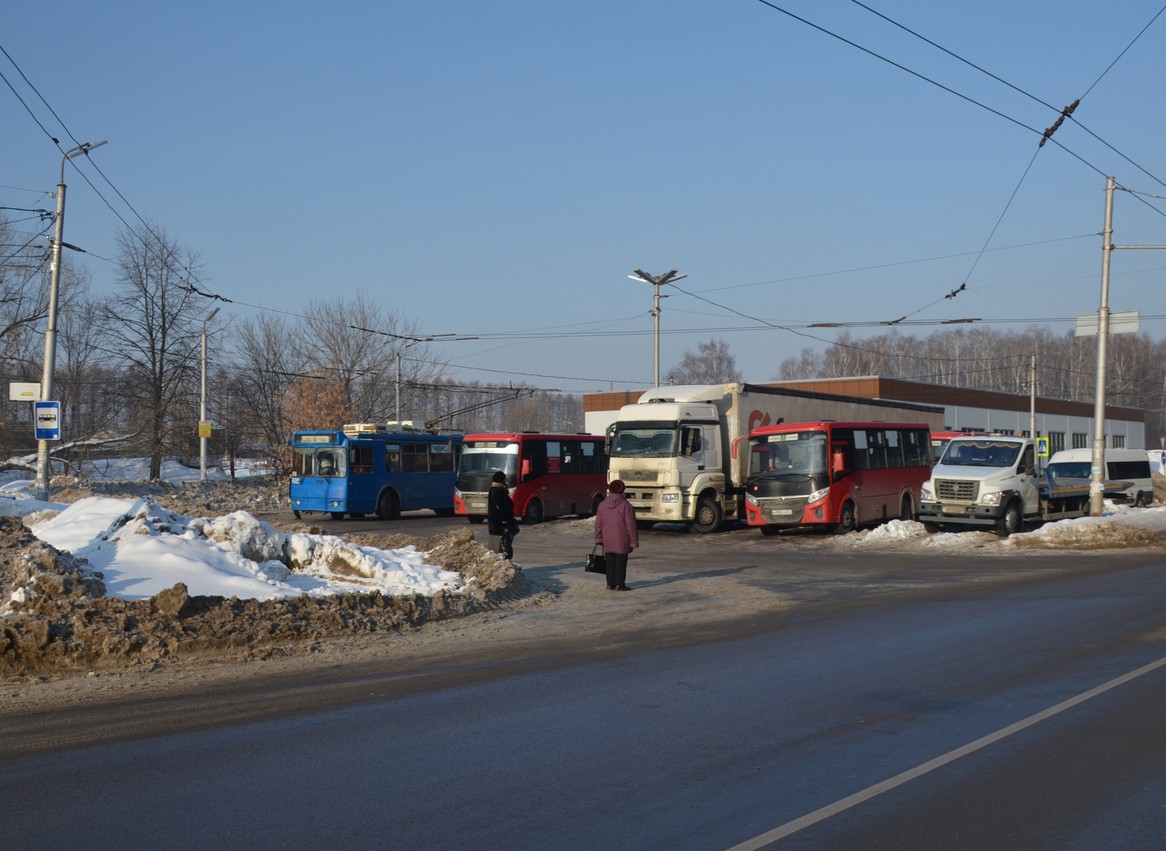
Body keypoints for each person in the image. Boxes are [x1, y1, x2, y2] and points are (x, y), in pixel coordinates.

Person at [594, 479, 639, 591]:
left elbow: (598, 524)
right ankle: (620, 584)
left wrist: (598, 538)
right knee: (621, 561)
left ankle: (610, 584)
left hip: (607, 539)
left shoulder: (602, 505)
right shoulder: (626, 505)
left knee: (609, 561)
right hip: (622, 539)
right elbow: (631, 526)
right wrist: (633, 542)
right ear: (622, 490)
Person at [487, 470, 519, 559]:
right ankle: (505, 558)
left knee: (497, 544)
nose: (506, 481)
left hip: (495, 523)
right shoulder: (499, 492)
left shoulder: (493, 490)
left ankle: (502, 558)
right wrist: (505, 521)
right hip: (501, 523)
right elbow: (502, 508)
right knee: (505, 540)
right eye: (505, 480)